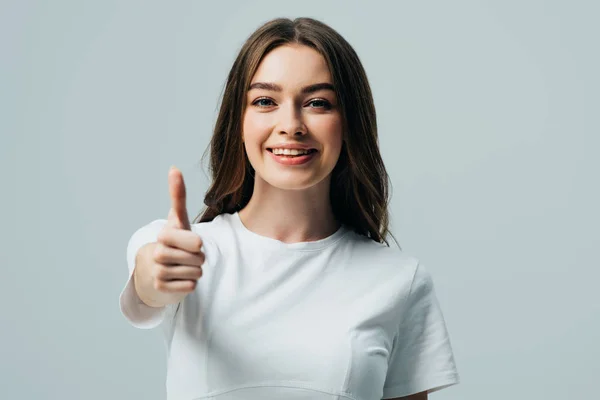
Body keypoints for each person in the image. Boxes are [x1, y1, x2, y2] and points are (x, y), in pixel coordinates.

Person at [119, 17, 460, 400]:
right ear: (239, 121)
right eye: (265, 101)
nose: (291, 125)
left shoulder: (400, 281)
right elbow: (144, 298)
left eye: (318, 103)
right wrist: (156, 276)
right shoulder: (181, 250)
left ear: (349, 123)